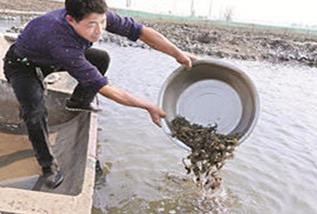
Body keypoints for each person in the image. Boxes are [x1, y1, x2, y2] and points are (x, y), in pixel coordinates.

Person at [2, 0, 196, 189]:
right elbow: (105, 88)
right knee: (34, 112)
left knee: (101, 58)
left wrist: (177, 53)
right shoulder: (60, 42)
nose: (99, 30)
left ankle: (77, 102)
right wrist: (147, 106)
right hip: (23, 65)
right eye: (92, 26)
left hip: (50, 58)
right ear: (70, 20)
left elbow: (142, 32)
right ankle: (48, 166)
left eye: (103, 23)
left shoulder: (95, 14)